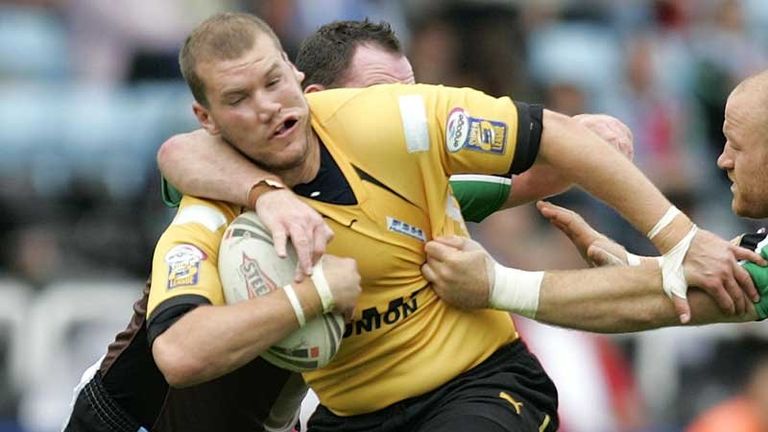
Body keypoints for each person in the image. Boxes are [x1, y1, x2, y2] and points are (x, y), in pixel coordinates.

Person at [151, 12, 767, 432]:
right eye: (239, 99)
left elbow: (544, 151)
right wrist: (300, 271)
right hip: (338, 416)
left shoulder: (399, 126)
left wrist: (674, 241)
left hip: (478, 389)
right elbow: (178, 348)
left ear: (294, 76)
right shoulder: (211, 205)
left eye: (272, 83)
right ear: (207, 117)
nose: (266, 106)